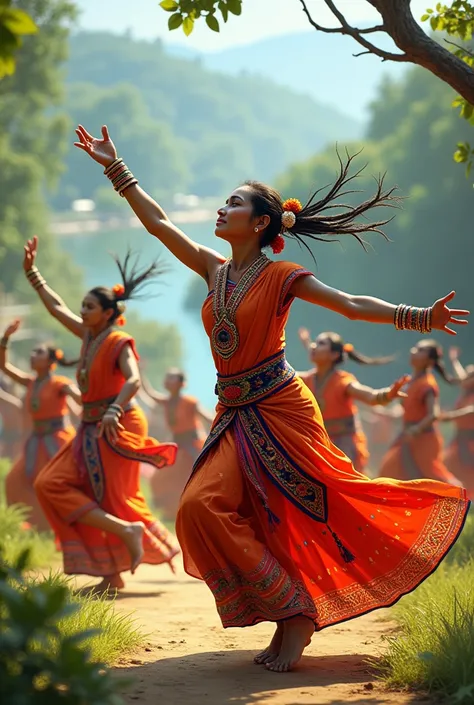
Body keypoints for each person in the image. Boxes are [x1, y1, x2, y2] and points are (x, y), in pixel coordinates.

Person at [74, 124, 469, 671]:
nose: (221, 209)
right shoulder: (213, 271)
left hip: (280, 407)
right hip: (233, 411)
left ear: (260, 223)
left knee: (298, 505)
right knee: (199, 508)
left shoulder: (283, 275)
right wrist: (115, 169)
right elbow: (160, 223)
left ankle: (294, 617)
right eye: (223, 201)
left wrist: (419, 316)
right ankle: (291, 607)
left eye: (232, 203)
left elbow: (350, 304)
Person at [24, 241, 179, 590]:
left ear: (108, 313)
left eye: (89, 307)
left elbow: (135, 379)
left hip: (118, 421)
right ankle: (123, 536)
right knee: (51, 484)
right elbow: (56, 308)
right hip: (91, 424)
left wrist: (113, 408)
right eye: (83, 305)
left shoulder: (119, 340)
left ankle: (112, 574)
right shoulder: (87, 337)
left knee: (107, 495)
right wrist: (33, 275)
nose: (82, 311)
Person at [0, 321, 79, 530]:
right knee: (14, 482)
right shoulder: (30, 382)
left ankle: (64, 526)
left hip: (58, 441)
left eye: (39, 352)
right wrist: (5, 338)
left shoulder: (60, 383)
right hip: (36, 442)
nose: (32, 355)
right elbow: (3, 367)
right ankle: (38, 526)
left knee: (52, 484)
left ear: (51, 362)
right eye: (33, 352)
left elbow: (78, 398)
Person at [297, 328, 407, 474]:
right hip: (318, 444)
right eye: (314, 343)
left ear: (334, 355)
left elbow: (371, 396)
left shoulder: (343, 381)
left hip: (344, 447)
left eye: (321, 343)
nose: (313, 346)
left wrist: (388, 394)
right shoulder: (306, 379)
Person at [379, 341, 462, 485]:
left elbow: (433, 414)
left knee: (431, 475)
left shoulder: (428, 384)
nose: (413, 350)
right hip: (407, 437)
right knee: (390, 471)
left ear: (429, 361)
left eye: (420, 350)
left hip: (424, 439)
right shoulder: (409, 382)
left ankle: (460, 498)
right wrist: (382, 411)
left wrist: (417, 429)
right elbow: (402, 410)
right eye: (415, 348)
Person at [139, 368, 214, 519]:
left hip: (193, 443)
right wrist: (139, 373)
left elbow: (207, 418)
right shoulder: (166, 402)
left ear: (181, 384)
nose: (168, 380)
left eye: (172, 378)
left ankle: (203, 508)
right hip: (177, 444)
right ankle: (172, 510)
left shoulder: (190, 402)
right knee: (161, 476)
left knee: (198, 474)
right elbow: (148, 393)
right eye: (167, 377)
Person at [440, 347, 474, 497]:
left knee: (467, 469)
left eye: (469, 377)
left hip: (471, 439)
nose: (464, 379)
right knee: (452, 466)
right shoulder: (466, 391)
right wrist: (454, 360)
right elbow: (461, 376)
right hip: (460, 438)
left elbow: (471, 411)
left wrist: (452, 416)